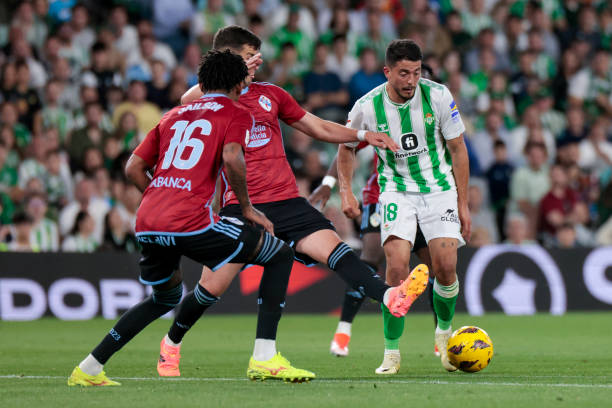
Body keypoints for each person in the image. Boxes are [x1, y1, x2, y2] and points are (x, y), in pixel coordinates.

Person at [158, 26, 427, 379]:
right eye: (248, 56)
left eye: (257, 55)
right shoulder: (214, 100)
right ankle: (171, 344)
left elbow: (317, 127)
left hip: (287, 201)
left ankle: (391, 297)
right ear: (228, 59)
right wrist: (230, 73)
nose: (257, 62)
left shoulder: (272, 95)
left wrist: (362, 135)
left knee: (337, 249)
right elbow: (185, 101)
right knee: (212, 288)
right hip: (242, 206)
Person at [67, 49, 311, 386]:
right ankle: (265, 356)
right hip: (190, 221)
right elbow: (232, 158)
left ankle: (88, 369)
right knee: (280, 253)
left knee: (163, 299)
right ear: (238, 84)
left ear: (202, 82)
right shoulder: (236, 113)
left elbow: (133, 167)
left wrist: (160, 197)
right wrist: (246, 207)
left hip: (149, 220)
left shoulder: (172, 115)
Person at [337, 40, 471, 374]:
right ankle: (392, 353)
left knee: (446, 266)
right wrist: (346, 193)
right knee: (396, 270)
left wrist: (463, 203)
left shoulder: (438, 95)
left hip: (439, 190)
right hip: (396, 192)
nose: (411, 80)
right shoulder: (367, 107)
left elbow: (457, 149)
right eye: (403, 73)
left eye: (415, 72)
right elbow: (346, 147)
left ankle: (443, 333)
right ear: (388, 72)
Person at [309, 63, 443, 359]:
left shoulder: (439, 118)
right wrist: (330, 185)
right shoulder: (383, 111)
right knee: (370, 256)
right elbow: (348, 145)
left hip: (426, 197)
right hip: (383, 193)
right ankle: (343, 332)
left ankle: (441, 337)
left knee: (436, 267)